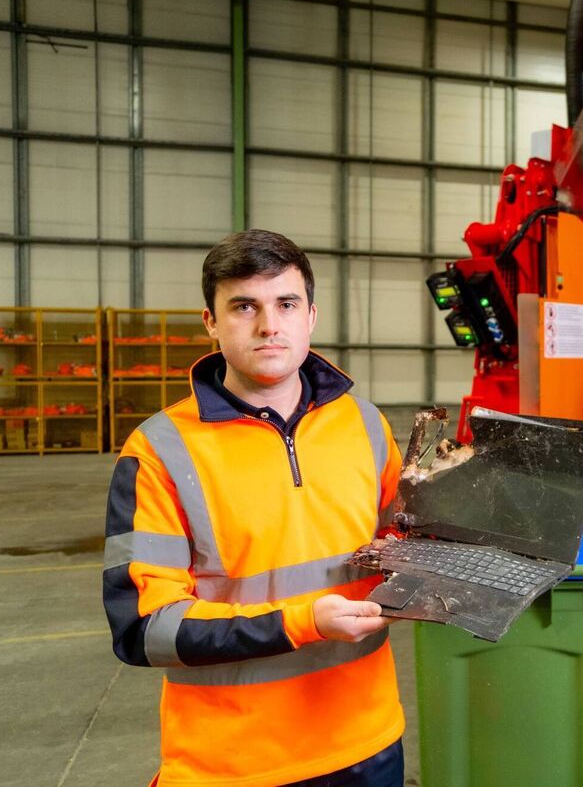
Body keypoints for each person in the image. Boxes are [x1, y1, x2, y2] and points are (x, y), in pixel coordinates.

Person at [102, 229, 404, 786]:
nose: (270, 325)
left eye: (286, 304)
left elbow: (403, 549)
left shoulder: (366, 425)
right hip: (233, 764)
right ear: (211, 323)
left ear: (310, 314)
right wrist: (302, 623)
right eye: (245, 305)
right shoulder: (160, 450)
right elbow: (146, 631)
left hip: (369, 743)